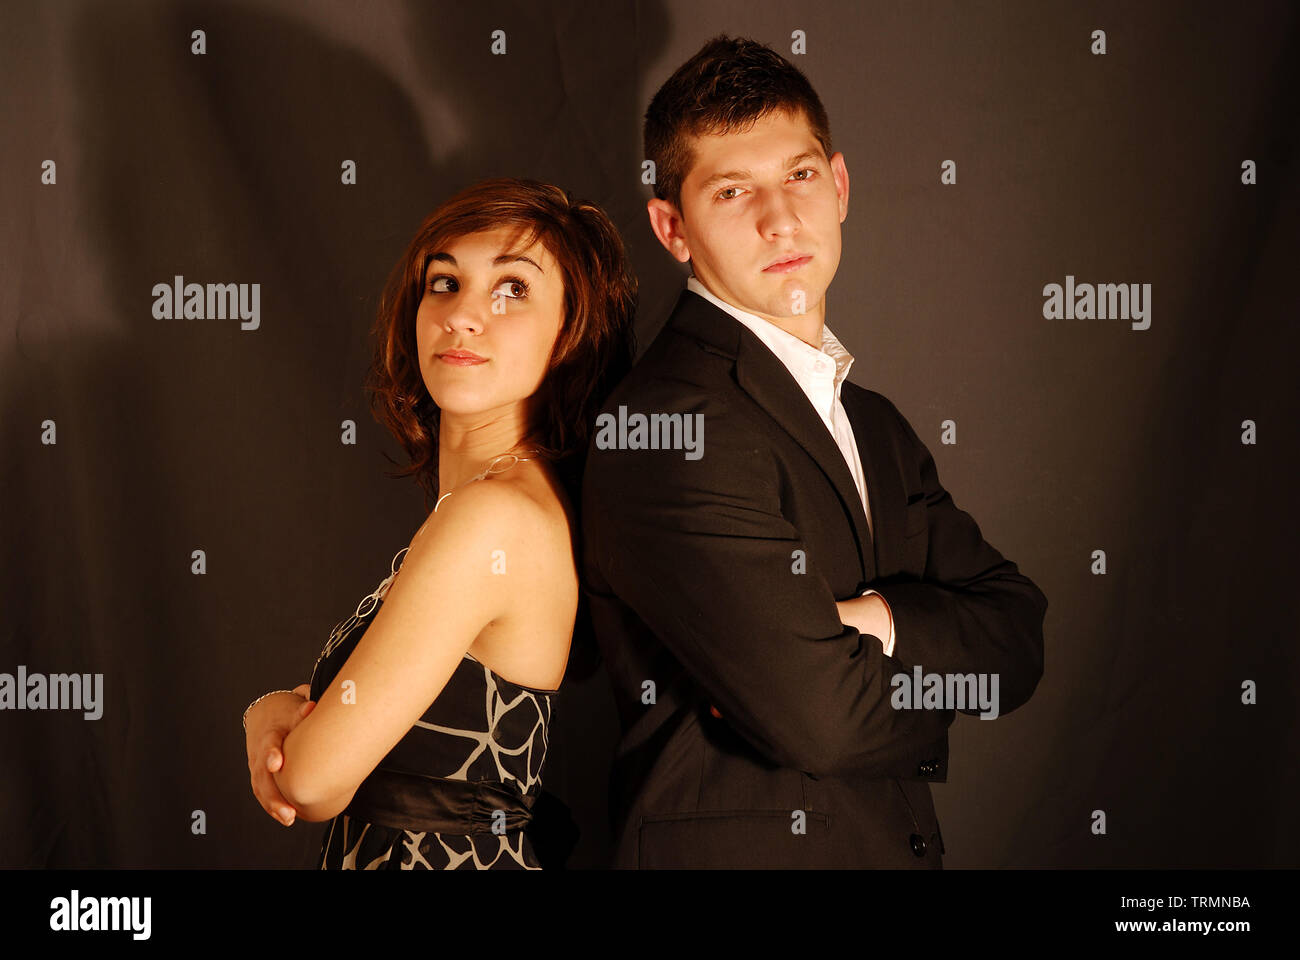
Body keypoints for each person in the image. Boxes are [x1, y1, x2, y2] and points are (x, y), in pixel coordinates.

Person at [581, 35, 1049, 868]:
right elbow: (824, 720)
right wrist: (927, 670)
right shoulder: (666, 426)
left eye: (798, 176)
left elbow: (1017, 637)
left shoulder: (872, 421)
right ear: (672, 228)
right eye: (732, 191)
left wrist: (874, 621)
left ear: (838, 185)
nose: (780, 219)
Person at [242, 177, 635, 869]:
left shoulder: (494, 518)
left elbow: (309, 781)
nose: (462, 315)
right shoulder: (494, 504)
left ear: (571, 333)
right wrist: (275, 708)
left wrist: (273, 719)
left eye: (513, 289)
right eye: (444, 283)